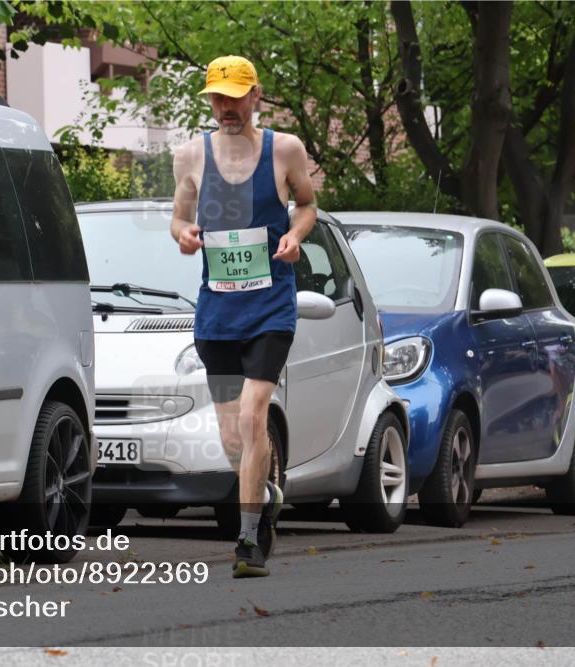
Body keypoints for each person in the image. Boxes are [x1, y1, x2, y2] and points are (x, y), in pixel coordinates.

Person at [170, 55, 316, 578]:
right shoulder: (190, 155)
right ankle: (266, 489)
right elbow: (179, 217)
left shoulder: (286, 150)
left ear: (257, 95)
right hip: (217, 313)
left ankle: (248, 540)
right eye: (218, 97)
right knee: (234, 440)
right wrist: (183, 234)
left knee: (255, 417)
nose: (227, 107)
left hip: (270, 307)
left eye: (236, 96)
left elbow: (306, 205)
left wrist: (295, 235)